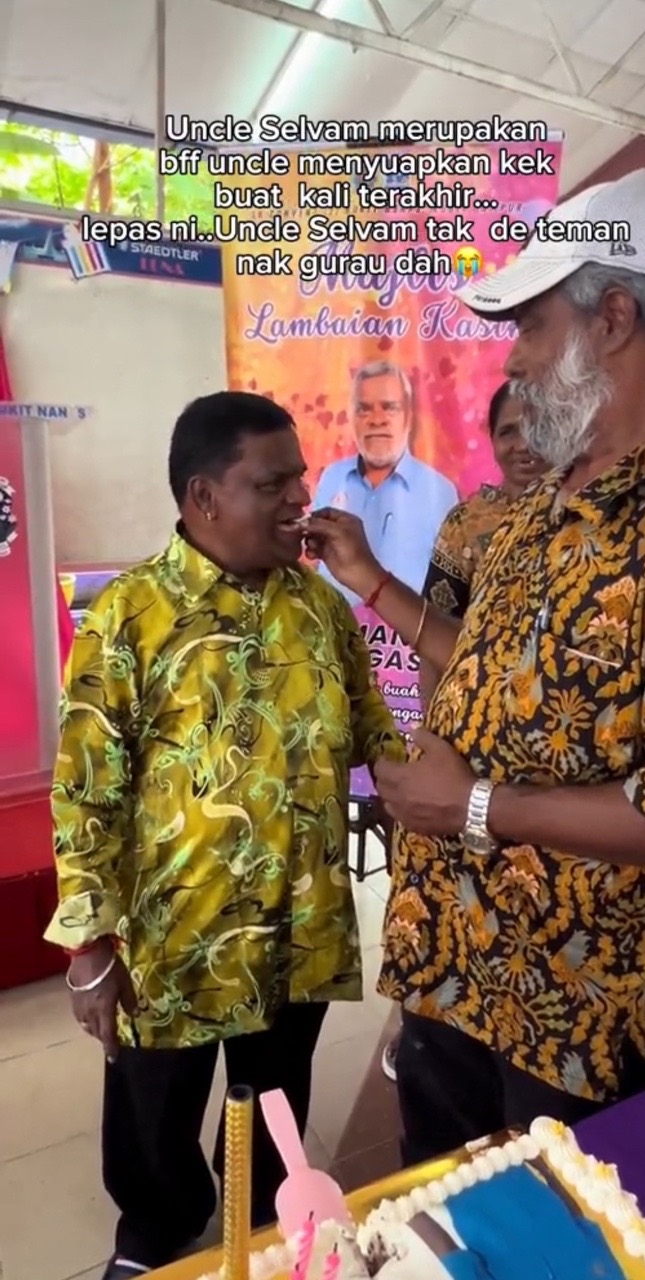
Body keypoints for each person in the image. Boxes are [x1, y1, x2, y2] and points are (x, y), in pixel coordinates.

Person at [306, 168, 645, 1165]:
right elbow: (488, 669)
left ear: (616, 319)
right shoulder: (533, 512)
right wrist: (372, 582)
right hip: (445, 966)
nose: (514, 355)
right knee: (438, 1225)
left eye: (532, 326)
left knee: (551, 1243)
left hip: (570, 1015)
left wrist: (472, 808)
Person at [44, 391, 405, 1280]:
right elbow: (85, 789)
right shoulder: (130, 616)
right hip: (173, 936)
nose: (299, 501)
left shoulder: (317, 607)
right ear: (204, 497)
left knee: (277, 1094)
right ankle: (157, 1232)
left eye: (301, 480)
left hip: (297, 926)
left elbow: (372, 730)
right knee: (153, 1104)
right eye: (271, 483)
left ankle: (268, 1221)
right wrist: (90, 946)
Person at [380, 381, 546, 1082]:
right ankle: (429, 1025)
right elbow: (434, 638)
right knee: (446, 909)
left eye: (535, 427)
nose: (521, 443)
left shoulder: (585, 520)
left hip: (540, 769)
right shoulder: (467, 524)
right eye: (507, 430)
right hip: (461, 747)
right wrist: (433, 735)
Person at [312, 360, 458, 603]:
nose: (376, 419)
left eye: (389, 407)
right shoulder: (331, 477)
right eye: (364, 409)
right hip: (336, 633)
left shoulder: (439, 490)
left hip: (406, 639)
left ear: (408, 417)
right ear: (352, 418)